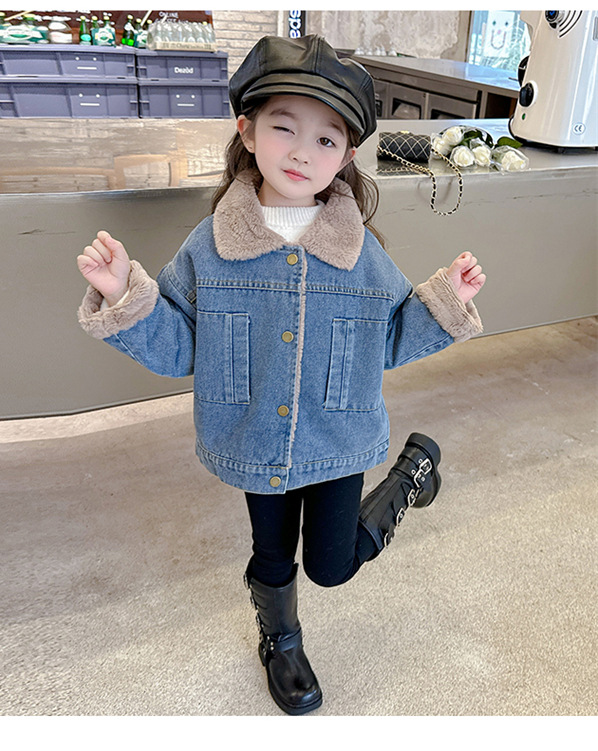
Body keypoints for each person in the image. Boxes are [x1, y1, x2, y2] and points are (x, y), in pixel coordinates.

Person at [76, 35, 486, 715]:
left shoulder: (361, 255)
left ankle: (412, 471)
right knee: (271, 554)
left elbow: (388, 337)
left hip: (339, 439)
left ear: (347, 156)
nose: (302, 152)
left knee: (331, 565)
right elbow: (180, 348)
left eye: (327, 140)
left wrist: (446, 301)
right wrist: (124, 292)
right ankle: (282, 642)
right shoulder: (210, 247)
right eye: (284, 128)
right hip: (253, 436)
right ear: (247, 130)